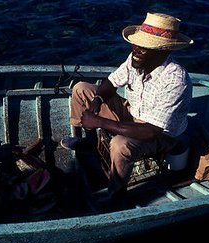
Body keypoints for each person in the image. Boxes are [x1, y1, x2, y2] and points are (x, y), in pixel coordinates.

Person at [60, 12, 194, 206]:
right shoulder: (138, 57)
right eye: (136, 44)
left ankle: (117, 192)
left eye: (144, 47)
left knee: (120, 144)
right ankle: (89, 142)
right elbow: (112, 82)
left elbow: (150, 131)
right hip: (132, 113)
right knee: (81, 88)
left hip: (160, 135)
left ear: (163, 52)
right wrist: (97, 99)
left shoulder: (175, 80)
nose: (136, 50)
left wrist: (99, 121)